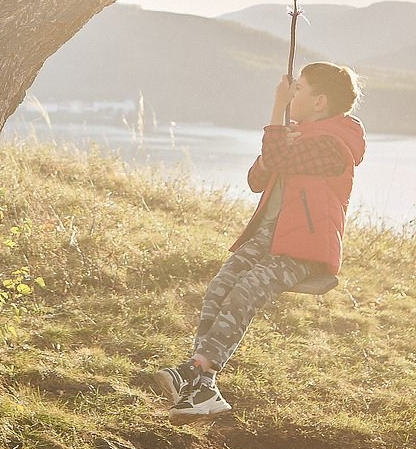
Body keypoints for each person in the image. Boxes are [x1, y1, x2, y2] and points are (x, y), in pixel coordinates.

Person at [154, 63, 365, 421]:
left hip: (304, 247)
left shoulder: (334, 145)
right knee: (220, 287)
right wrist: (283, 133)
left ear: (319, 101)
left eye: (298, 90)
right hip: (268, 236)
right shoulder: (297, 135)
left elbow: (280, 158)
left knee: (246, 291)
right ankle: (203, 388)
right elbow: (256, 178)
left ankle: (195, 371)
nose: (290, 94)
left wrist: (275, 115)